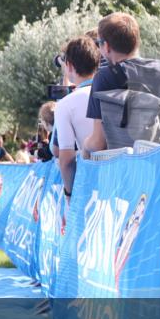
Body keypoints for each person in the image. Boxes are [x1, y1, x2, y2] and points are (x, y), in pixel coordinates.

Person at [84, 12, 160, 155]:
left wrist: (84, 146)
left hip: (144, 168)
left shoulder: (106, 78)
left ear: (107, 46)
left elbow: (98, 143)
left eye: (99, 43)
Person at [54, 36, 101, 198]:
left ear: (69, 66)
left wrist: (69, 193)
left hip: (90, 184)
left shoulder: (65, 104)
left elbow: (66, 159)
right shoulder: (114, 92)